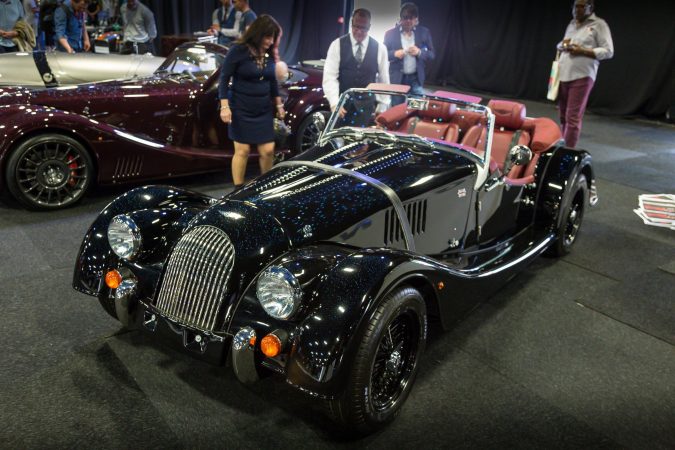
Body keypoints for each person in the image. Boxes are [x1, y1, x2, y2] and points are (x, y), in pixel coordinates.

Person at [219, 15, 285, 188]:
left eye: (273, 38)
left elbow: (272, 82)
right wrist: (224, 107)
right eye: (268, 37)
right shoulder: (238, 50)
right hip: (240, 107)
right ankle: (237, 190)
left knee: (268, 150)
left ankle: (265, 187)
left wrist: (279, 104)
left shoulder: (269, 54)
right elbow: (224, 79)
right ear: (258, 34)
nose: (271, 41)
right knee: (243, 151)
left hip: (263, 109)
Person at [556, 0, 613, 148]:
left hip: (582, 75)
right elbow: (561, 43)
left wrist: (582, 51)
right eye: (575, 6)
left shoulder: (599, 25)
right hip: (563, 74)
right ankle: (563, 144)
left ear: (590, 8)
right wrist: (564, 46)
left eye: (582, 6)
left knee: (572, 117)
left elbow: (608, 51)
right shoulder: (571, 24)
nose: (577, 9)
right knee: (563, 116)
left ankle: (567, 152)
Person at [322, 8, 389, 116]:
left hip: (367, 107)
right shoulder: (337, 45)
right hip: (342, 105)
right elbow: (330, 76)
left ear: (369, 27)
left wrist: (382, 106)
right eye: (356, 26)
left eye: (364, 28)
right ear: (351, 23)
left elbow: (383, 80)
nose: (359, 31)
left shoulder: (380, 49)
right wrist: (334, 103)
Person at [384, 2, 435, 99]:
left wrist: (419, 52)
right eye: (405, 17)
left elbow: (432, 54)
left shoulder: (424, 32)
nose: (407, 21)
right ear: (400, 18)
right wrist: (394, 53)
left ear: (416, 19)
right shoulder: (390, 34)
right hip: (397, 80)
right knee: (396, 111)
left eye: (410, 18)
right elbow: (383, 54)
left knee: (416, 110)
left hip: (416, 80)